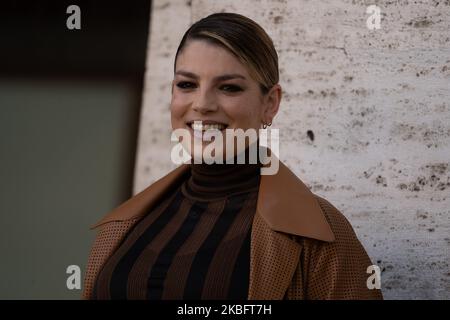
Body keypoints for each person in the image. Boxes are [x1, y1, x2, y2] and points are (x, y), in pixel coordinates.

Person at [82, 12, 383, 300]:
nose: (202, 104)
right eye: (187, 84)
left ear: (270, 103)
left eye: (228, 87)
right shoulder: (124, 224)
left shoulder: (320, 235)